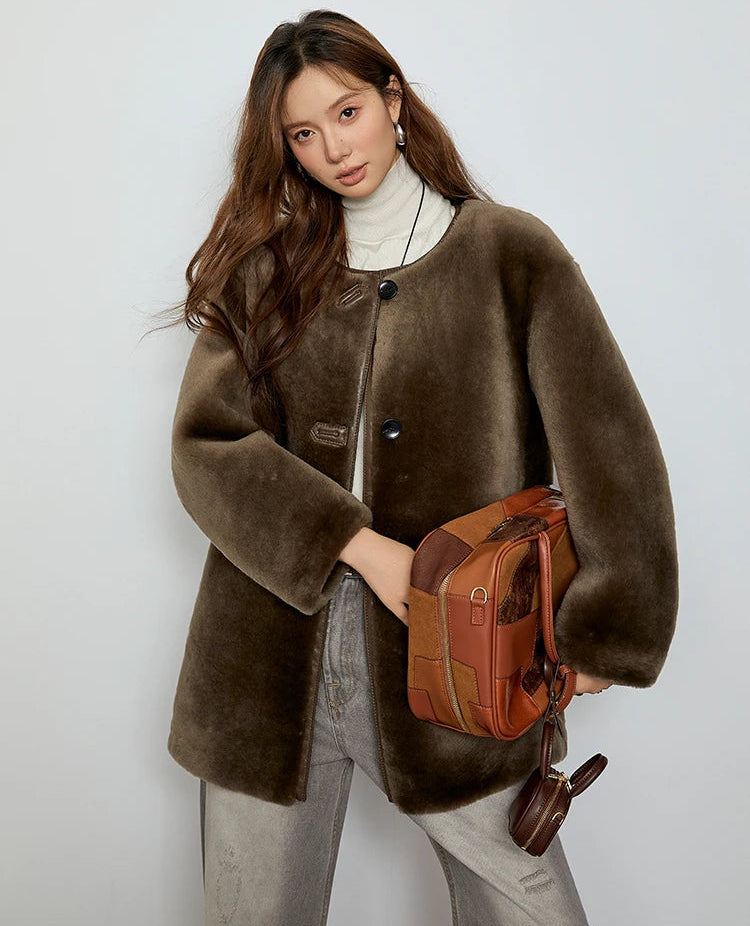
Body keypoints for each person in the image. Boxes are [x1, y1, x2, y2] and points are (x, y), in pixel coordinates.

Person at [161, 9, 678, 925]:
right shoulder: (267, 272)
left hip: (460, 649)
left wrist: (610, 629)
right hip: (264, 663)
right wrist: (364, 548)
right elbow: (207, 447)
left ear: (393, 99)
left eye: (347, 112)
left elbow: (612, 449)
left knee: (529, 907)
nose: (334, 149)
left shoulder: (510, 254)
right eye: (303, 134)